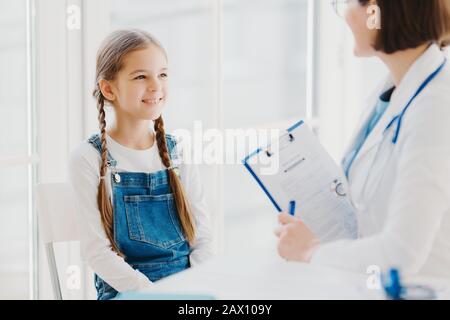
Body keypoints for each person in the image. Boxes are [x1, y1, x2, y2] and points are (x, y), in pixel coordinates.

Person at [275, 0, 450, 277]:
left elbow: (401, 254)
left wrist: (311, 251)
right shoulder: (390, 90)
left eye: (349, 2)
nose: (345, 15)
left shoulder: (436, 108)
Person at [69, 29, 215, 299]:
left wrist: (192, 289)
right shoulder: (88, 158)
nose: (156, 86)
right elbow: (97, 253)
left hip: (187, 287)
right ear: (109, 88)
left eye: (162, 74)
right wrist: (154, 295)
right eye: (140, 77)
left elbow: (203, 237)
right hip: (127, 291)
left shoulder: (177, 152)